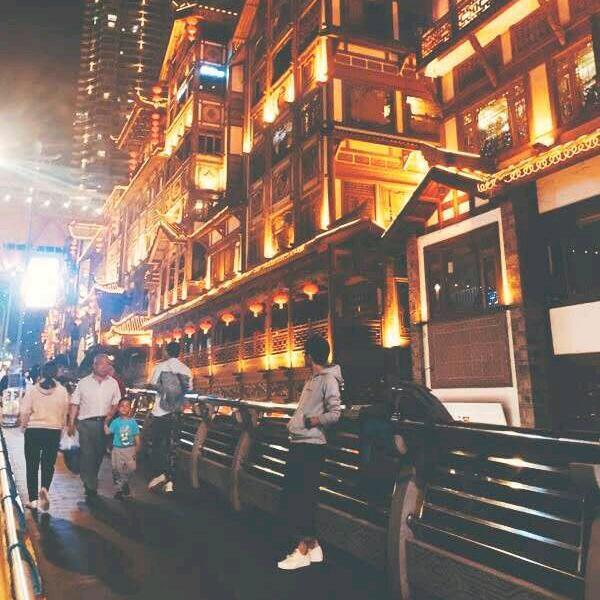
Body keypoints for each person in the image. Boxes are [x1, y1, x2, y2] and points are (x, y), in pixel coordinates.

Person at [277, 334, 342, 570]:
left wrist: (314, 420)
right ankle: (313, 547)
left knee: (301, 497)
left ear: (310, 356)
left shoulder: (328, 380)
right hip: (300, 442)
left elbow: (335, 414)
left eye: (305, 353)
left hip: (311, 445)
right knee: (298, 495)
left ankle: (302, 551)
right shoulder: (313, 379)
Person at [68, 354, 121, 500]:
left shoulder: (113, 383)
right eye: (102, 364)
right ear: (94, 365)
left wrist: (109, 417)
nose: (105, 367)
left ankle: (91, 478)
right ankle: (90, 484)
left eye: (107, 364)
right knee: (87, 454)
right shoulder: (83, 383)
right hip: (86, 424)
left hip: (104, 424)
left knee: (99, 454)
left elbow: (116, 402)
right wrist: (71, 423)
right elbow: (74, 403)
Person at [19, 361, 69, 512]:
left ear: (41, 373)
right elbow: (64, 412)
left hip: (33, 431)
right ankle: (45, 488)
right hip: (53, 431)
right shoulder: (62, 391)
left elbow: (25, 411)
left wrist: (23, 426)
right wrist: (61, 429)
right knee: (48, 464)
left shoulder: (32, 390)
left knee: (32, 465)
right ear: (56, 373)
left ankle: (33, 500)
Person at [148, 341, 191, 493]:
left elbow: (152, 384)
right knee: (173, 446)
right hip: (176, 412)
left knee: (157, 444)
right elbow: (188, 390)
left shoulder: (160, 367)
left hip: (160, 412)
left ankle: (160, 474)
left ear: (166, 351)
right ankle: (170, 480)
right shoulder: (186, 369)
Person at [104, 398, 140, 499]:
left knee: (132, 468)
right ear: (118, 408)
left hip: (130, 449)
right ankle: (119, 489)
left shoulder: (132, 422)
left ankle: (125, 482)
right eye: (122, 406)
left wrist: (137, 448)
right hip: (117, 450)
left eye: (127, 406)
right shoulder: (115, 422)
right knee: (117, 469)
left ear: (130, 408)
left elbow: (137, 436)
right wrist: (105, 423)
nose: (124, 408)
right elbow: (108, 432)